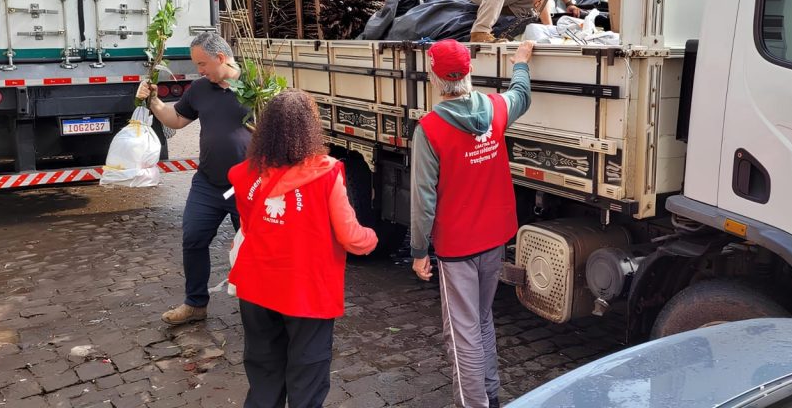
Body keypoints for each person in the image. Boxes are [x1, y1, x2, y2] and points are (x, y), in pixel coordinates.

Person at [228, 90, 377, 408]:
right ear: (310, 128)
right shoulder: (326, 174)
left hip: (255, 286)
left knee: (263, 371)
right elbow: (351, 237)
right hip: (306, 291)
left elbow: (247, 226)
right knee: (307, 374)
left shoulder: (244, 174)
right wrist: (373, 238)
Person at [410, 39, 535, 408]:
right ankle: (490, 395)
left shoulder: (430, 129)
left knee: (462, 331)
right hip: (494, 236)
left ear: (434, 78)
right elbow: (521, 95)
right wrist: (521, 62)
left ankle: (474, 403)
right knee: (481, 320)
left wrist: (418, 251)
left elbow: (423, 198)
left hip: (457, 245)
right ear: (470, 72)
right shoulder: (496, 109)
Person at [135, 31, 250, 325]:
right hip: (208, 183)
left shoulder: (254, 86)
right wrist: (154, 101)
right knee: (193, 238)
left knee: (252, 248)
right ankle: (195, 304)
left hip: (248, 186)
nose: (199, 70)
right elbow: (176, 120)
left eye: (202, 64)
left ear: (221, 58)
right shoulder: (200, 89)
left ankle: (258, 311)